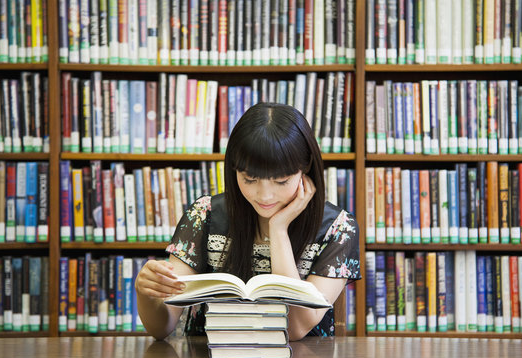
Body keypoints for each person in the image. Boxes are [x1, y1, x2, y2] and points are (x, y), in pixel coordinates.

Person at [135, 102, 360, 341]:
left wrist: (279, 229)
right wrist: (145, 292)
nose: (265, 196)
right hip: (211, 354)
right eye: (249, 179)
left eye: (281, 181)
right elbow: (161, 328)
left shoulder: (338, 228)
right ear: (233, 170)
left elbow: (293, 329)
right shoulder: (204, 215)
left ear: (305, 169)